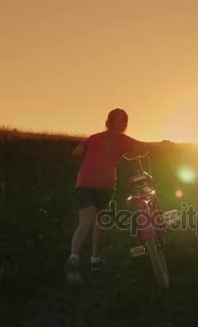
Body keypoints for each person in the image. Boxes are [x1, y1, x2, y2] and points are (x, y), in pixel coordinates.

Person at [66, 108, 143, 285]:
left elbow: (77, 152)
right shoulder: (122, 140)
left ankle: (78, 258)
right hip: (101, 185)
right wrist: (161, 145)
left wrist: (83, 148)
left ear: (108, 122)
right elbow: (142, 146)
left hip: (87, 184)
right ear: (123, 124)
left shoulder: (94, 137)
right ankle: (89, 261)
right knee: (98, 220)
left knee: (90, 221)